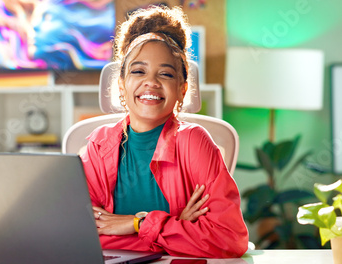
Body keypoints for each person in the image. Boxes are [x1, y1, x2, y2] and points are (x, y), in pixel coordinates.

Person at [80, 5, 249, 258]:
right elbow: (82, 235)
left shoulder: (194, 141)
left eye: (166, 74)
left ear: (182, 89)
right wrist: (178, 225)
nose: (151, 82)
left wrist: (137, 224)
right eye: (138, 71)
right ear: (122, 84)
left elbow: (229, 238)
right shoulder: (98, 144)